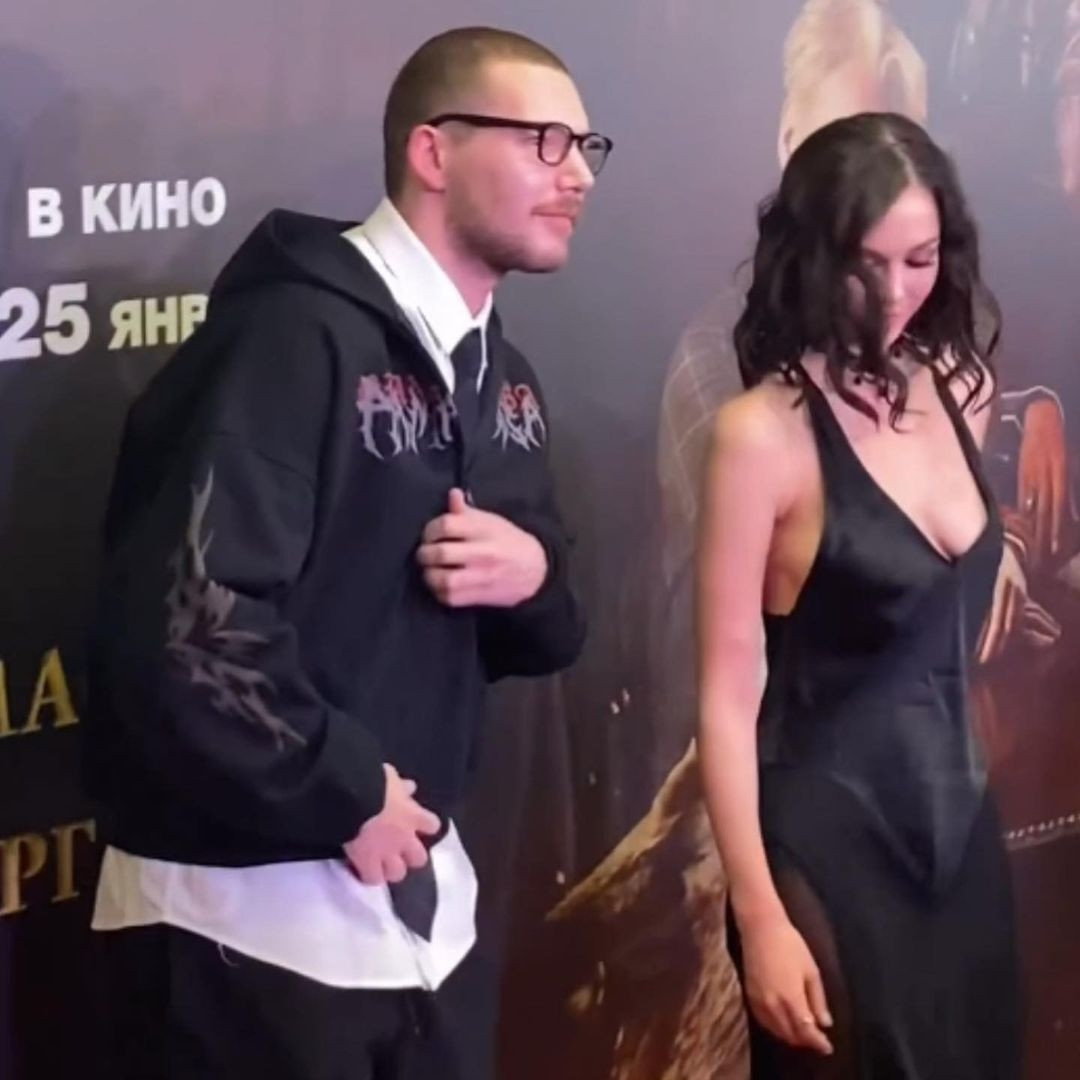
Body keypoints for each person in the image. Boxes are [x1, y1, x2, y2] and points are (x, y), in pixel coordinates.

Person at [84, 25, 610, 1080]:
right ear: (432, 151)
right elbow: (187, 626)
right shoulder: (285, 340)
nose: (577, 176)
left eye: (586, 148)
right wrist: (346, 792)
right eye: (543, 141)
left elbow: (548, 628)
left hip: (423, 919)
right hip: (247, 921)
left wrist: (533, 576)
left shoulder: (502, 375)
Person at [696, 112, 1020, 1077]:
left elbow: (941, 591)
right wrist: (760, 915)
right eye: (864, 264)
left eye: (919, 260)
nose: (893, 293)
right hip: (820, 851)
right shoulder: (760, 436)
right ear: (811, 255)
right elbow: (725, 696)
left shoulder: (962, 389)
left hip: (961, 838)